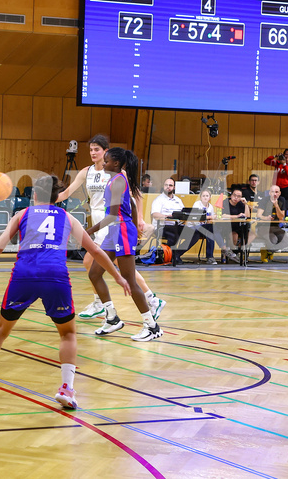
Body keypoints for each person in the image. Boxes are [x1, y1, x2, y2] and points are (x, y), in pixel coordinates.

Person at [0, 175, 131, 408]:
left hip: (24, 276)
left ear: (35, 195)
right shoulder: (68, 217)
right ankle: (67, 389)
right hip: (55, 277)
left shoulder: (22, 215)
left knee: (0, 330)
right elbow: (97, 251)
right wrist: (118, 277)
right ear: (58, 197)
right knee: (68, 334)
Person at [55, 134, 166, 328]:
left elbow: (135, 196)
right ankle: (105, 304)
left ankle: (148, 301)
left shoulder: (117, 174)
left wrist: (138, 219)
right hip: (103, 222)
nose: (93, 153)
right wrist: (47, 200)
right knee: (91, 263)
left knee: (113, 265)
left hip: (112, 224)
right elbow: (66, 193)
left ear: (106, 152)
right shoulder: (87, 172)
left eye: (97, 149)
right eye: (90, 150)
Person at [88, 148, 163, 341]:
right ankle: (112, 318)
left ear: (116, 163)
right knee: (95, 273)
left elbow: (113, 215)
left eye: (106, 161)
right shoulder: (116, 180)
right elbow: (129, 201)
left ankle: (151, 326)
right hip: (115, 231)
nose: (103, 164)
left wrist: (87, 232)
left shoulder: (119, 180)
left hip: (120, 230)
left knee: (129, 279)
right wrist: (136, 223)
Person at [151, 178, 189, 264]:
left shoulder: (178, 200)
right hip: (162, 227)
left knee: (194, 233)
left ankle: (176, 255)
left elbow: (183, 213)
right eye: (166, 185)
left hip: (177, 225)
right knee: (174, 233)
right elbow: (155, 214)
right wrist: (166, 216)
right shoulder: (159, 200)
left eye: (170, 185)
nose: (168, 187)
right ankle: (170, 255)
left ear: (174, 187)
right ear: (163, 186)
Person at [255, 185, 288, 262]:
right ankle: (267, 251)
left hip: (275, 227)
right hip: (263, 227)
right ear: (269, 193)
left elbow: (281, 217)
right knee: (274, 239)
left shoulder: (282, 200)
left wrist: (276, 206)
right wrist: (266, 218)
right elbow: (258, 215)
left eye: (276, 192)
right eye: (272, 192)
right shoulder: (264, 200)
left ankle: (268, 251)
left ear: (279, 193)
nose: (274, 194)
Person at [220, 188, 252, 262]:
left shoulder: (240, 203)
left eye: (239, 196)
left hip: (240, 226)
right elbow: (223, 215)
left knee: (252, 235)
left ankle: (237, 251)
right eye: (235, 195)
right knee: (235, 235)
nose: (236, 198)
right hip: (228, 226)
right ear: (231, 195)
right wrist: (237, 216)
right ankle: (232, 253)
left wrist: (246, 204)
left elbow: (247, 216)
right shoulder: (225, 202)